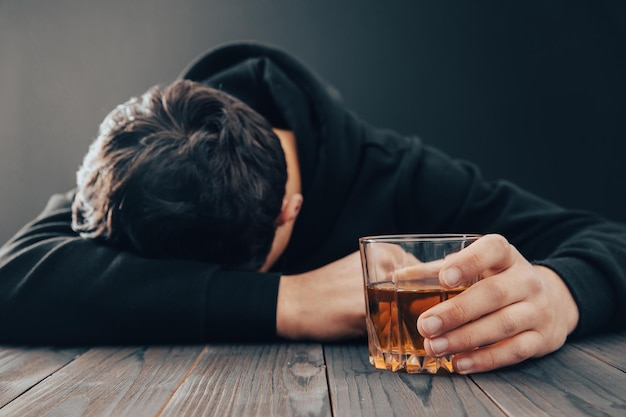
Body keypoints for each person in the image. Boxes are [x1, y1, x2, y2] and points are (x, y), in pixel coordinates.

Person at [1, 41, 625, 375]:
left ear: (289, 211)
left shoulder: (399, 176)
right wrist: (291, 302)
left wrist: (562, 292)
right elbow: (13, 278)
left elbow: (609, 239)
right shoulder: (148, 170)